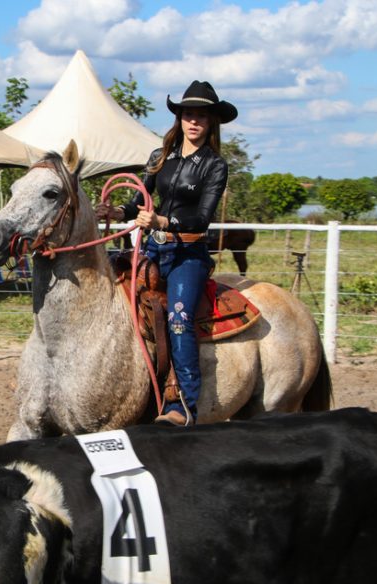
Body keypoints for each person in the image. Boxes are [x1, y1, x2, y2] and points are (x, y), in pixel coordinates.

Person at [96, 80, 237, 426]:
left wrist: (161, 219)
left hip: (189, 255)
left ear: (210, 123)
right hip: (154, 250)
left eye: (201, 116)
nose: (194, 122)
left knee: (178, 319)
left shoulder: (214, 166)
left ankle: (184, 405)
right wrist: (118, 213)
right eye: (189, 114)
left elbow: (202, 217)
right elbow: (139, 200)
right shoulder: (159, 158)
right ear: (179, 118)